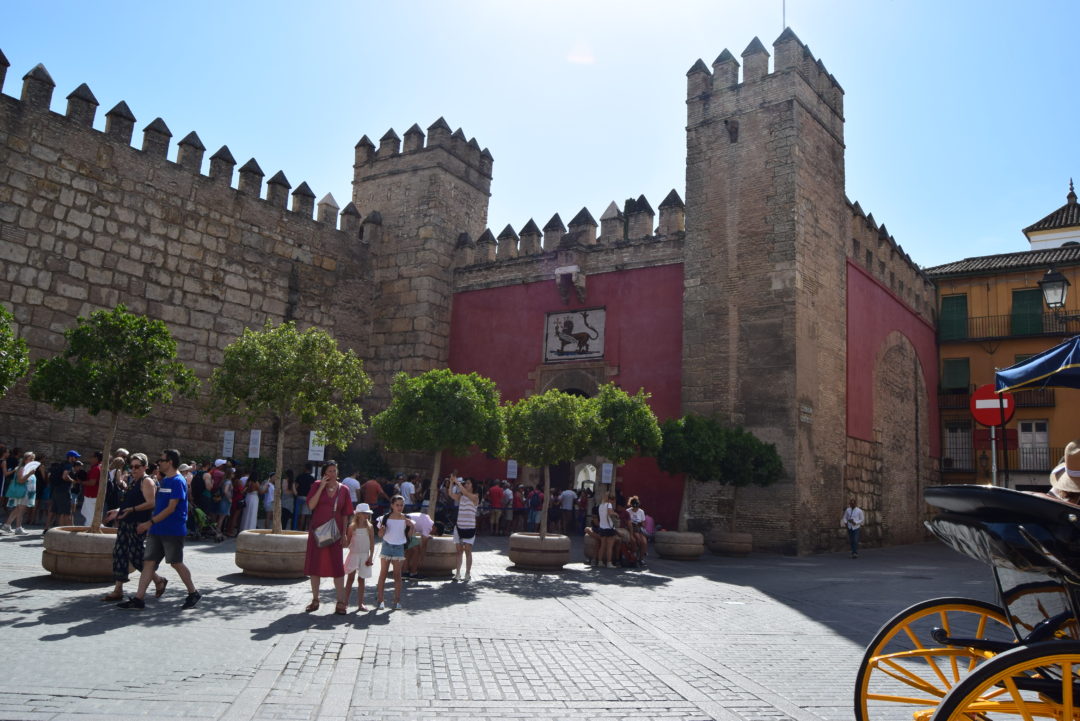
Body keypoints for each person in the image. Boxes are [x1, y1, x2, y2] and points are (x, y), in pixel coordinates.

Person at [119, 449, 201, 609]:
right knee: (148, 562)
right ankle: (139, 599)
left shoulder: (178, 481)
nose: (159, 463)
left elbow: (171, 508)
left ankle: (193, 593)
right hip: (158, 529)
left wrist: (149, 523)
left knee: (176, 563)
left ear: (170, 462)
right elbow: (158, 504)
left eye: (162, 460)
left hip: (172, 530)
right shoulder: (165, 481)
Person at [101, 453, 166, 602]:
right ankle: (118, 589)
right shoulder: (132, 481)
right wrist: (118, 510)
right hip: (125, 523)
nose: (134, 469)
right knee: (120, 553)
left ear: (145, 467)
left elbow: (151, 503)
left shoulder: (146, 481)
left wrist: (132, 510)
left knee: (136, 556)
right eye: (132, 466)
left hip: (137, 524)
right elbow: (128, 503)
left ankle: (158, 580)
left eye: (137, 466)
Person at [303, 460, 353, 615]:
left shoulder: (344, 489)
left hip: (335, 534)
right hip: (318, 533)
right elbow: (311, 506)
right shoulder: (317, 485)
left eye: (335, 471)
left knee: (337, 567)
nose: (333, 474)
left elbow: (346, 514)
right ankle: (315, 599)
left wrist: (345, 534)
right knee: (315, 566)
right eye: (330, 471)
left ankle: (341, 601)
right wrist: (321, 488)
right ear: (324, 473)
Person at [375, 495, 412, 610]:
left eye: (402, 505)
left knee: (397, 575)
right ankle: (381, 600)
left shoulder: (406, 519)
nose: (400, 507)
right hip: (386, 546)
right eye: (397, 505)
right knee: (383, 573)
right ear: (392, 505)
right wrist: (382, 531)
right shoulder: (384, 518)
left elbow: (410, 536)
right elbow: (380, 535)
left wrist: (411, 527)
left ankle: (397, 601)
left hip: (399, 547)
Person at [343, 504, 375, 611]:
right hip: (354, 554)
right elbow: (347, 543)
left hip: (364, 555)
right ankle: (345, 602)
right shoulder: (352, 527)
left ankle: (360, 603)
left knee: (362, 579)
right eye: (364, 513)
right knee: (350, 579)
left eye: (367, 513)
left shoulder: (370, 527)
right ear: (358, 514)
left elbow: (372, 543)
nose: (367, 515)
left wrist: (371, 557)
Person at [2, 451, 39, 534]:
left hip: (27, 493)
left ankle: (7, 525)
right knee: (21, 510)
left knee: (17, 509)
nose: (32, 461)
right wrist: (29, 474)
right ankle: (18, 528)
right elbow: (20, 480)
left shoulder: (29, 469)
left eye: (33, 459)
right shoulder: (22, 468)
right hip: (23, 492)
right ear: (25, 460)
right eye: (30, 459)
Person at [449, 475, 478, 581]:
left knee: (468, 551)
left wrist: (458, 483)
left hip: (470, 527)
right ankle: (457, 573)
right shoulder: (461, 496)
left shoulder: (475, 497)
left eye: (469, 483)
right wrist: (452, 483)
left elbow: (466, 493)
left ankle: (467, 573)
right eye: (466, 483)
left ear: (473, 485)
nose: (466, 485)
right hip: (459, 526)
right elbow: (451, 494)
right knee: (458, 551)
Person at [404, 509, 434, 579]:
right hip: (407, 527)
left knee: (409, 550)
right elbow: (424, 544)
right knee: (417, 551)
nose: (431, 533)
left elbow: (420, 527)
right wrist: (422, 558)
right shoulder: (429, 525)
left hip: (406, 526)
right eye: (434, 533)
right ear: (435, 528)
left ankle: (404, 572)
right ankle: (413, 573)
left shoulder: (427, 519)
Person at [597, 491, 618, 569]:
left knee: (602, 546)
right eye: (613, 499)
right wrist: (615, 514)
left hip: (602, 527)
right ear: (610, 499)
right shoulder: (609, 505)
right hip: (609, 528)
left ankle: (600, 561)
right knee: (609, 546)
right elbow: (610, 513)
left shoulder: (600, 505)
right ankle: (609, 563)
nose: (613, 501)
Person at [626, 496, 648, 566]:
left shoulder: (641, 511)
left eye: (637, 507)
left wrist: (641, 524)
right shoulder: (628, 511)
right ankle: (635, 554)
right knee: (637, 539)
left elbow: (644, 523)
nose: (635, 509)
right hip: (630, 529)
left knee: (644, 542)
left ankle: (641, 558)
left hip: (639, 528)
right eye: (634, 507)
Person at [294, 463, 316, 531]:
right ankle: (306, 530)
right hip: (307, 498)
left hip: (299, 497)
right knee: (306, 515)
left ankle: (299, 529)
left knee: (300, 515)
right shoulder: (312, 478)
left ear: (305, 468)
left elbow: (296, 486)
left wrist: (296, 494)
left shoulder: (300, 476)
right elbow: (312, 489)